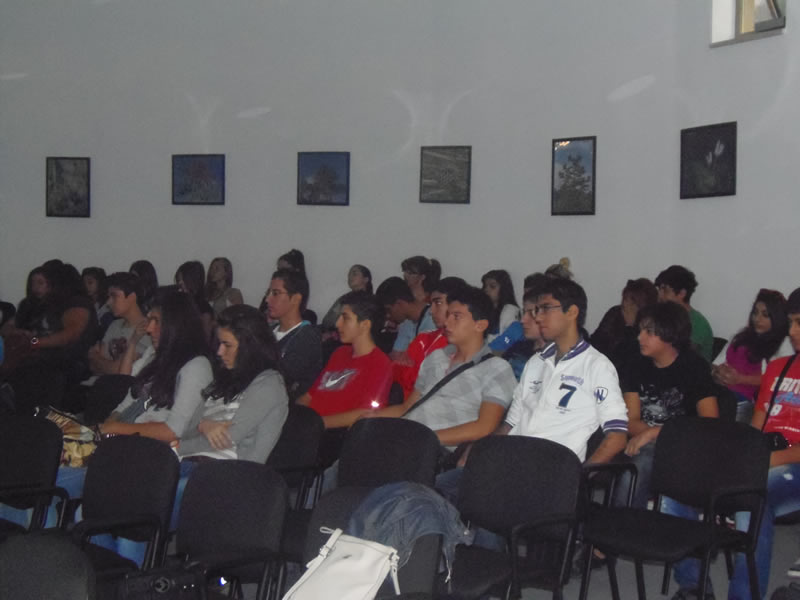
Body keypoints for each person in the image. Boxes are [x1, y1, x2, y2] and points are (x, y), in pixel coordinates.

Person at [668, 288, 800, 600]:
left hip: (790, 464)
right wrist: (738, 457)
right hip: (763, 456)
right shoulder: (779, 369)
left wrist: (761, 462)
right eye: (792, 322)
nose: (793, 332)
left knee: (750, 498)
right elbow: (754, 430)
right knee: (679, 486)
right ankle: (694, 586)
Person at [369, 285, 516, 450]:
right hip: (405, 437)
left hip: (434, 449)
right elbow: (407, 407)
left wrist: (423, 439)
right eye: (448, 315)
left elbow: (484, 428)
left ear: (480, 325)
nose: (447, 323)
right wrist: (369, 418)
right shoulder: (436, 357)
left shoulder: (497, 368)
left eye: (456, 316)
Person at [617, 301, 718, 509]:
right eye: (640, 330)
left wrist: (655, 433)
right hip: (643, 440)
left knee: (638, 466)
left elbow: (710, 424)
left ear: (670, 334)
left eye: (649, 332)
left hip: (684, 446)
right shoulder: (635, 365)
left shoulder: (695, 368)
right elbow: (630, 420)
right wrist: (649, 435)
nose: (640, 337)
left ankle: (623, 523)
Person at [178, 304, 288, 463]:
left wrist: (176, 448)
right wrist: (203, 425)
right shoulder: (224, 377)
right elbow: (186, 429)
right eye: (220, 343)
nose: (220, 352)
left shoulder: (269, 384)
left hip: (230, 470)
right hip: (192, 461)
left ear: (250, 345)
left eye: (227, 345)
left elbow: (226, 439)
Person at [99, 290, 212, 442]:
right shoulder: (155, 356)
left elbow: (174, 431)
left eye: (156, 321)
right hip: (126, 437)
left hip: (154, 449)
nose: (149, 329)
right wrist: (107, 426)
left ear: (176, 324)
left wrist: (116, 428)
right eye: (149, 320)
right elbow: (126, 403)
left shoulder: (197, 367)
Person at [297, 291, 392, 429]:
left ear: (365, 325)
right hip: (310, 426)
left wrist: (316, 424)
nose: (338, 323)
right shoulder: (339, 353)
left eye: (345, 318)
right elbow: (309, 396)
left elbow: (366, 413)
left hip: (333, 434)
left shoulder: (380, 363)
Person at [712, 289, 790, 423]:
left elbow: (777, 380)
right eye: (755, 313)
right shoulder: (740, 336)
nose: (757, 319)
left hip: (747, 402)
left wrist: (740, 379)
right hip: (720, 391)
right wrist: (718, 373)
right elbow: (716, 363)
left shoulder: (784, 344)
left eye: (765, 315)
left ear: (777, 318)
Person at [393, 277, 467, 398]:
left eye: (438, 303)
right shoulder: (424, 338)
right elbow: (396, 373)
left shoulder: (465, 344)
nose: (431, 311)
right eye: (431, 304)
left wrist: (413, 371)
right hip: (408, 402)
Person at [265, 269, 323, 402]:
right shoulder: (266, 332)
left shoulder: (307, 337)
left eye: (276, 293)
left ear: (296, 299)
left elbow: (283, 379)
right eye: (268, 293)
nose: (268, 299)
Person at [87, 272, 151, 376]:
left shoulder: (146, 329)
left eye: (114, 296)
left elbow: (120, 372)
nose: (108, 302)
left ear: (132, 297)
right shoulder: (114, 325)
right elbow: (93, 367)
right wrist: (103, 363)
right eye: (108, 297)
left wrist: (95, 356)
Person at [591, 278, 658, 373]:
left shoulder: (649, 326)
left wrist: (629, 328)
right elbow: (595, 343)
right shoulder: (614, 314)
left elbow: (632, 361)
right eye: (625, 298)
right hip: (602, 368)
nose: (625, 304)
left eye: (632, 302)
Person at [655, 265, 714, 362]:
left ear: (682, 293)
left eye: (664, 290)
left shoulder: (697, 323)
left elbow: (682, 356)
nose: (660, 296)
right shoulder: (663, 318)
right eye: (659, 290)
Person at [375, 277, 436, 358]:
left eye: (388, 310)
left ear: (399, 303)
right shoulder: (406, 323)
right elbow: (395, 356)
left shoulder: (433, 321)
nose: (388, 315)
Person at [321, 264, 373, 331]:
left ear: (366, 279)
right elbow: (327, 320)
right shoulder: (344, 298)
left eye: (354, 274)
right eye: (349, 275)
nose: (350, 277)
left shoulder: (371, 301)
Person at [174, 261, 215, 344]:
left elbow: (206, 338)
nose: (180, 283)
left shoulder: (203, 308)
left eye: (183, 279)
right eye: (179, 279)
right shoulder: (179, 302)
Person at [481, 269, 520, 343]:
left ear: (504, 289)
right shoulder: (484, 310)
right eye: (485, 286)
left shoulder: (510, 310)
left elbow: (509, 339)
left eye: (492, 286)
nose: (486, 290)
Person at [81, 266, 114, 334]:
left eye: (90, 282)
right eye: (84, 283)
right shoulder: (84, 303)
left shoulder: (109, 303)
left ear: (100, 282)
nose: (86, 286)